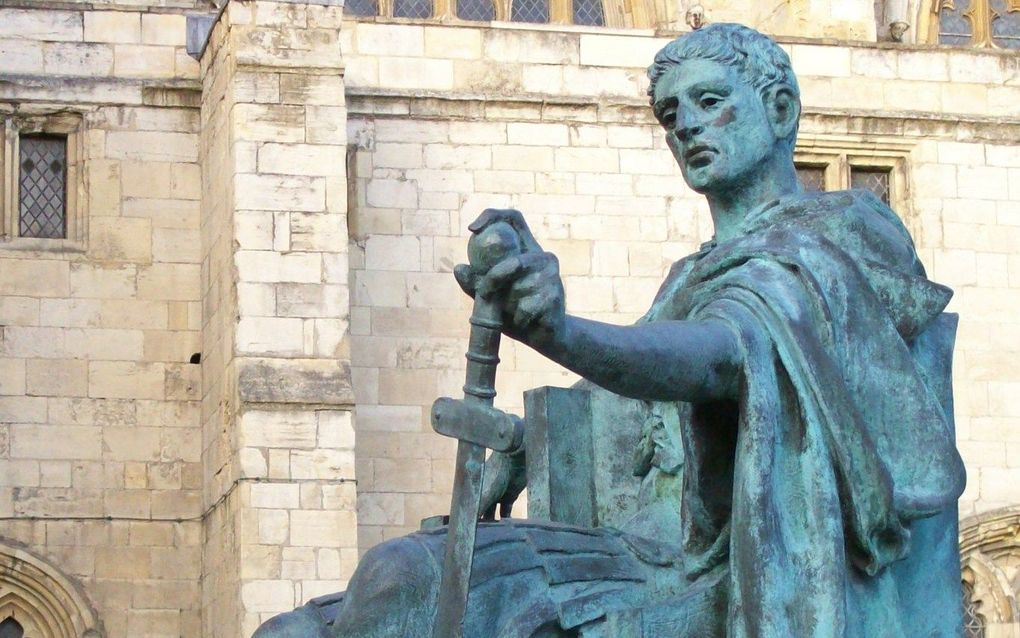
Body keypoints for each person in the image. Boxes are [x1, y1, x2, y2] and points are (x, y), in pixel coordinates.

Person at [255, 23, 966, 638]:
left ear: (779, 109)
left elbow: (718, 359)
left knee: (403, 579)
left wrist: (558, 330)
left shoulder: (837, 236)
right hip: (653, 553)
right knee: (301, 624)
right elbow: (626, 408)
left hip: (742, 570)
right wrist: (533, 443)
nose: (685, 125)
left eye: (710, 102)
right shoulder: (695, 274)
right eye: (670, 114)